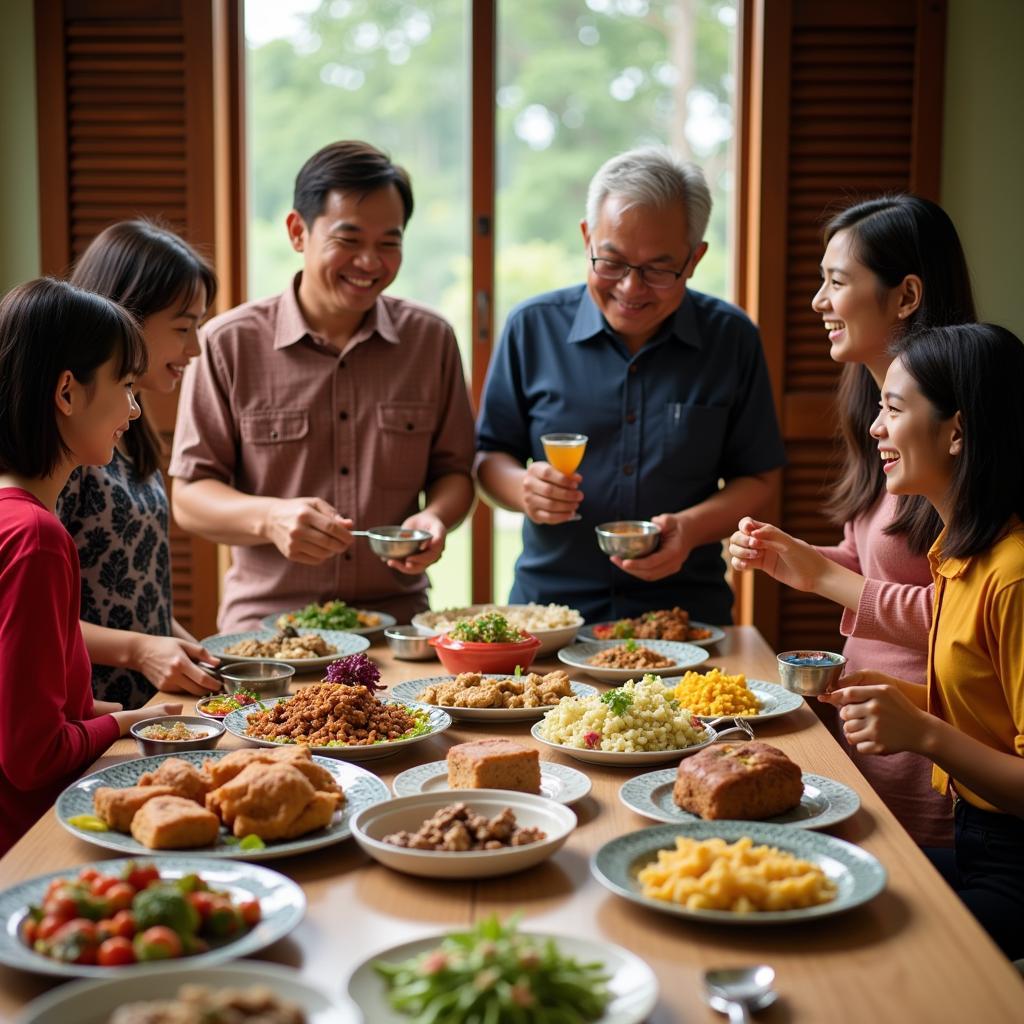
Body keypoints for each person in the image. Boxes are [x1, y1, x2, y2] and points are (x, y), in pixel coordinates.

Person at [728, 195, 976, 846]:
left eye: (836, 282)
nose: (817, 301)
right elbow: (869, 565)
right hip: (868, 732)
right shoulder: (880, 415)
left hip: (930, 747)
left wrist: (824, 579)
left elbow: (973, 612)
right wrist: (791, 558)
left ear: (906, 296)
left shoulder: (953, 432)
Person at [169, 141, 475, 631]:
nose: (371, 262)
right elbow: (189, 496)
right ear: (297, 231)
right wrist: (270, 518)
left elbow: (456, 473)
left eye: (389, 243)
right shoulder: (227, 343)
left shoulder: (431, 340)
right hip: (268, 632)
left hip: (396, 625)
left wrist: (436, 517)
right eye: (349, 240)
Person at [475, 146, 785, 624]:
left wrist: (689, 527)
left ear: (695, 258)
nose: (631, 289)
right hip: (549, 615)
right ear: (586, 238)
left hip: (686, 617)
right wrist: (523, 490)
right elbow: (489, 455)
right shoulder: (531, 328)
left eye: (659, 270)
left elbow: (760, 477)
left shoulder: (731, 338)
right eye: (612, 262)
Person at [820, 323, 1024, 960]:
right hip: (974, 841)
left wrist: (924, 733)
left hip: (1013, 867)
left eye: (895, 409)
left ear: (957, 432)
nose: (876, 428)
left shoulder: (1013, 575)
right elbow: (984, 710)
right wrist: (892, 694)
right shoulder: (957, 553)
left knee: (853, 944)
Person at [0, 278, 182, 855]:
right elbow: (32, 758)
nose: (133, 409)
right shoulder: (36, 538)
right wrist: (128, 724)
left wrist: (118, 716)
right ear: (67, 392)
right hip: (36, 841)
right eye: (126, 385)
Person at [58, 219, 221, 709]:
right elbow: (33, 615)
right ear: (125, 315)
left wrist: (187, 649)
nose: (194, 348)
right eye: (182, 327)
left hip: (144, 706)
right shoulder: (70, 444)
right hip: (92, 709)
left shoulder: (129, 429)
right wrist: (140, 649)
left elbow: (135, 590)